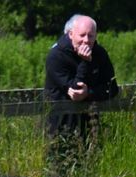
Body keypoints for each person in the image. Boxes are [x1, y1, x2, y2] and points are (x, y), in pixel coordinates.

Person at [43, 15, 120, 162]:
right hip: (60, 124)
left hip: (91, 124)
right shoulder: (56, 56)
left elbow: (112, 88)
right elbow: (75, 90)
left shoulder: (99, 53)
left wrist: (89, 93)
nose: (86, 40)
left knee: (91, 164)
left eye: (90, 36)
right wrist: (85, 63)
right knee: (60, 165)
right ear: (71, 34)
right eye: (82, 35)